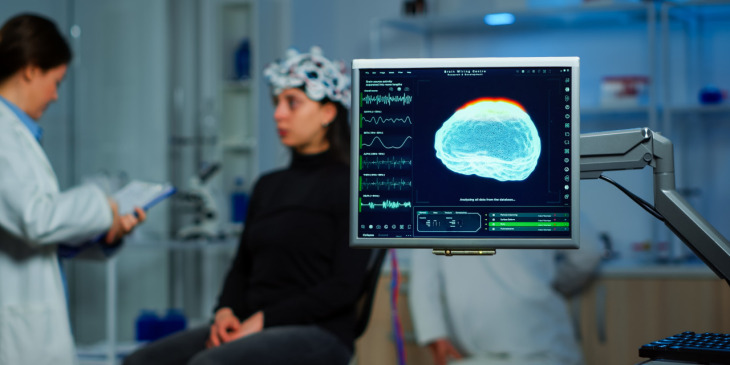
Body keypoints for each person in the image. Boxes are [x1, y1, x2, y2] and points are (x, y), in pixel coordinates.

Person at [123, 46, 371, 365]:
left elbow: (343, 287)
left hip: (319, 332)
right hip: (251, 323)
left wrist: (264, 319)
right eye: (276, 103)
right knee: (141, 362)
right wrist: (225, 311)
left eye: (292, 103)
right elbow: (242, 267)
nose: (277, 114)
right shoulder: (267, 186)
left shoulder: (354, 186)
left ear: (328, 112)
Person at [0, 13, 146, 365]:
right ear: (32, 69)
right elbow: (37, 218)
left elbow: (33, 230)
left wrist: (106, 232)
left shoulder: (18, 135)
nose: (54, 96)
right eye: (56, 82)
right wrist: (103, 203)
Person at [408, 216, 603, 365]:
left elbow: (424, 278)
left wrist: (435, 334)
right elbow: (591, 250)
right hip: (542, 344)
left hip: (478, 349)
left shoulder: (437, 202)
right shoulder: (540, 190)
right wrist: (557, 284)